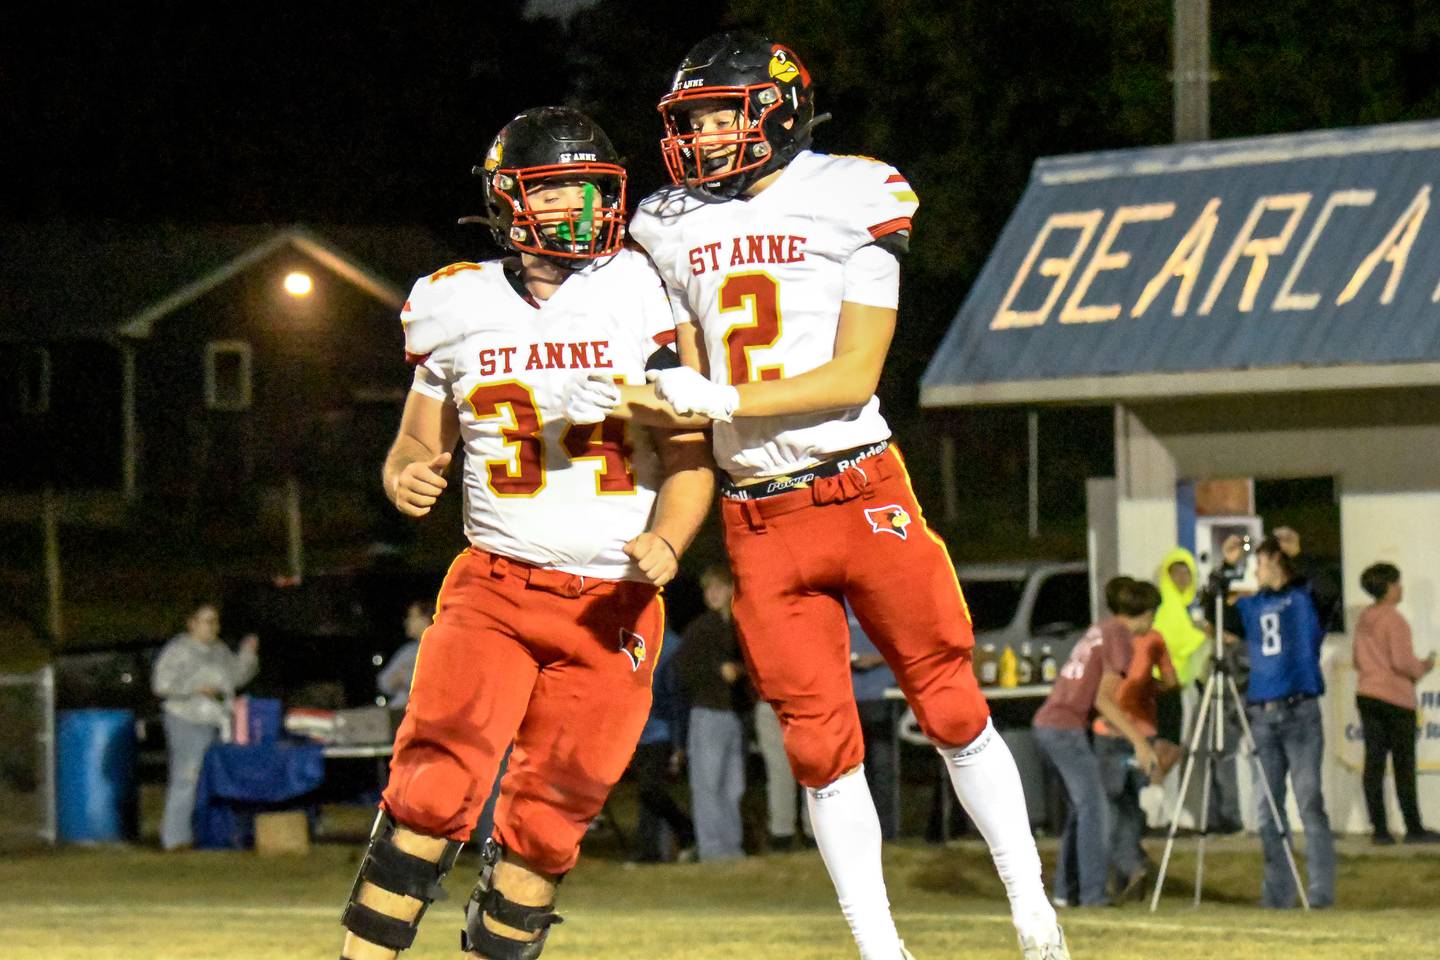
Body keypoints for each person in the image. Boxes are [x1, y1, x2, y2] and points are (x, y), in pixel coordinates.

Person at [572, 33, 1066, 959]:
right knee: (817, 745)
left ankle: (1033, 912)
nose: (708, 135)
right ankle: (880, 949)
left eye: (724, 113)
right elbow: (676, 368)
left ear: (779, 107)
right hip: (758, 515)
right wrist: (629, 394)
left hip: (860, 487)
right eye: (695, 120)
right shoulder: (668, 220)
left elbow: (853, 375)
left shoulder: (854, 192)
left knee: (952, 703)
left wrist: (723, 399)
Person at [336, 107, 713, 960]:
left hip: (613, 599)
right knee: (432, 785)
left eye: (591, 189)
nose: (581, 208)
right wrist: (405, 475)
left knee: (552, 820)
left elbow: (691, 451)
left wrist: (673, 539)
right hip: (497, 583)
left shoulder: (644, 291)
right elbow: (415, 440)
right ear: (508, 202)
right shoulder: (453, 301)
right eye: (559, 190)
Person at [1033, 577, 1152, 908]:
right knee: (1095, 810)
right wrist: (1139, 741)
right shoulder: (1122, 639)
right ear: (1145, 613)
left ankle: (1065, 891)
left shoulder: (1101, 628)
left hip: (1048, 725)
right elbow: (1104, 700)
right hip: (1064, 728)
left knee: (1081, 809)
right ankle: (1093, 896)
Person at [1236, 537, 1335, 909]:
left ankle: (1321, 894)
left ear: (1275, 561)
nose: (1256, 572)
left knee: (1310, 801)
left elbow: (1328, 590)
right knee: (1268, 807)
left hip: (1301, 712)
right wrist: (1226, 567)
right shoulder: (1252, 604)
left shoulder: (1304, 596)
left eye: (1259, 563)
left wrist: (1300, 555)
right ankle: (1278, 894)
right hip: (1263, 714)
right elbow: (1213, 610)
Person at [1073, 579, 1165, 903]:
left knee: (1111, 810)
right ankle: (1129, 870)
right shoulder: (1146, 641)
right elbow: (1170, 682)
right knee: (1128, 809)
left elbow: (1101, 699)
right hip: (1137, 731)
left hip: (1110, 734)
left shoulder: (1105, 637)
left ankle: (1128, 868)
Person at [150, 602, 259, 851]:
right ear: (192, 623)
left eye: (215, 621)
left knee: (212, 779)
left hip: (216, 721)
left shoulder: (219, 650)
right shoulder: (178, 650)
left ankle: (210, 834)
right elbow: (161, 685)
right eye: (207, 621)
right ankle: (174, 838)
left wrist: (248, 654)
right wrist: (195, 689)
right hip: (186, 720)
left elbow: (235, 677)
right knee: (186, 778)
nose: (213, 627)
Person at [1353, 562, 1439, 845]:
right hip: (1395, 697)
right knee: (1403, 764)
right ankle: (1413, 826)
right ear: (1389, 587)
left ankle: (1379, 828)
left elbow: (1357, 659)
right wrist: (1425, 665)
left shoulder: (1365, 618)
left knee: (1374, 762)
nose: (1401, 588)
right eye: (1398, 583)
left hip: (1367, 693)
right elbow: (1403, 663)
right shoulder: (1395, 619)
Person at [676, 564, 750, 861]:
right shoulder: (700, 628)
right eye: (708, 589)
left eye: (718, 587)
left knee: (733, 784)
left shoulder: (738, 626)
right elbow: (682, 671)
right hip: (708, 713)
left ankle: (731, 847)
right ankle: (713, 850)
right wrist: (718, 671)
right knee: (708, 784)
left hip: (733, 713)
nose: (712, 594)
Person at [629, 625, 696, 863]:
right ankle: (648, 852)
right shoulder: (629, 640)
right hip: (637, 731)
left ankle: (686, 829)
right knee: (646, 793)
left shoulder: (670, 645)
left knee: (650, 789)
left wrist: (679, 743)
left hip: (662, 731)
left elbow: (677, 697)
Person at [1152, 548, 1206, 745]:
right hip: (1164, 683)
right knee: (1168, 744)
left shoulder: (1178, 606)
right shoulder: (1168, 604)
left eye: (1187, 572)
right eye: (1177, 572)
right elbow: (1175, 640)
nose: (1183, 578)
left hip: (1173, 683)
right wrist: (1205, 635)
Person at [376, 600, 433, 711]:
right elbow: (384, 681)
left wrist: (405, 677)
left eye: (412, 617)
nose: (407, 622)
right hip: (402, 711)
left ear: (426, 619)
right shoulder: (407, 651)